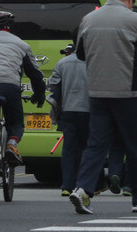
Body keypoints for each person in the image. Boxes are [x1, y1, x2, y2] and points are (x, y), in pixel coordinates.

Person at [69, 0, 137, 214]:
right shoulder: (134, 20)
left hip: (97, 93)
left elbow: (81, 54)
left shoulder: (89, 19)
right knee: (135, 147)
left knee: (96, 145)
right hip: (128, 94)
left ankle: (82, 190)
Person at [0, 11, 46, 166]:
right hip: (10, 88)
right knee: (16, 124)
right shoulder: (21, 44)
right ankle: (12, 143)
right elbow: (35, 75)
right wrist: (39, 95)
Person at [48, 43, 89, 196]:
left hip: (68, 110)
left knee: (69, 149)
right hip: (88, 110)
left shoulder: (62, 63)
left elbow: (53, 84)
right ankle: (84, 184)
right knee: (87, 148)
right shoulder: (92, 61)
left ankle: (66, 185)